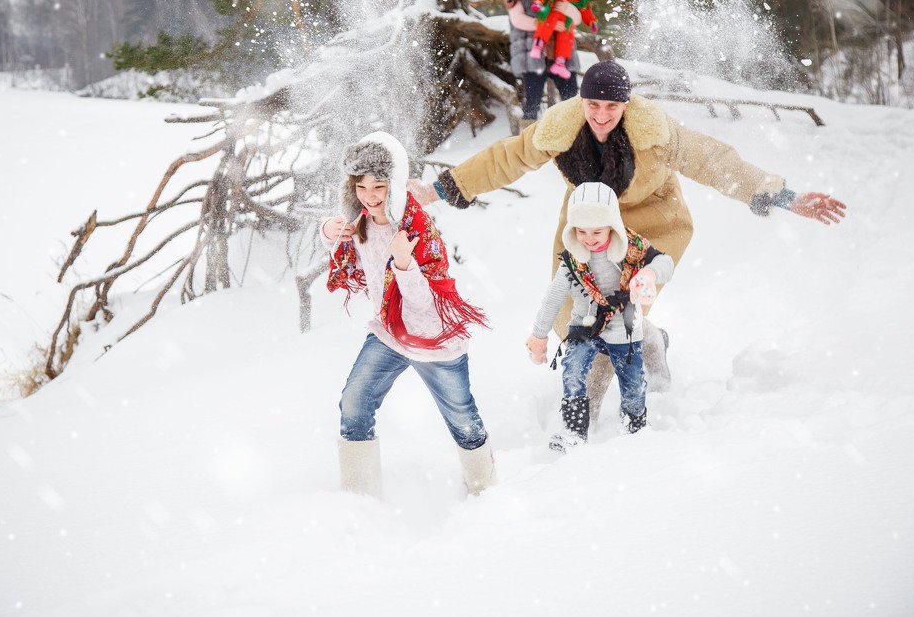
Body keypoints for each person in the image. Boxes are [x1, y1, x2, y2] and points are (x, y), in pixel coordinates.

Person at [409, 60, 846, 421]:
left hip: (651, 225)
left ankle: (584, 419)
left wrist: (782, 195)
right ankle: (650, 344)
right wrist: (442, 189)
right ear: (581, 101)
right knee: (571, 317)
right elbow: (506, 158)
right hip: (586, 228)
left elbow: (715, 161)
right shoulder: (560, 131)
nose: (601, 115)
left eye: (612, 106)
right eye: (593, 105)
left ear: (627, 104)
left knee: (616, 313)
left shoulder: (657, 135)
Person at [321, 131, 495, 498]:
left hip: (435, 340)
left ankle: (485, 492)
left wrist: (403, 263)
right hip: (390, 334)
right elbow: (353, 263)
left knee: (463, 420)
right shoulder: (361, 225)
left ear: (394, 185)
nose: (370, 197)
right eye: (361, 187)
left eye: (379, 186)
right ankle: (358, 498)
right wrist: (329, 231)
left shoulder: (417, 229)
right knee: (354, 401)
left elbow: (426, 305)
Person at [527, 182, 674, 449]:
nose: (589, 238)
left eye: (597, 230)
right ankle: (574, 432)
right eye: (581, 231)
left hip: (624, 327)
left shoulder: (631, 248)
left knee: (631, 380)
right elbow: (553, 298)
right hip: (585, 329)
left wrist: (649, 274)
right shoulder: (572, 260)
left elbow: (666, 263)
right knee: (573, 372)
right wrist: (538, 335)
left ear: (613, 226)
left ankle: (634, 426)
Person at [505, 0, 582, 128]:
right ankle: (528, 145)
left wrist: (568, 8)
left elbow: (577, 19)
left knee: (573, 100)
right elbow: (518, 20)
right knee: (532, 103)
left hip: (560, 55)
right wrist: (549, 24)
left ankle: (575, 139)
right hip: (532, 55)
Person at [526, 0, 598, 81]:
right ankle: (538, 44)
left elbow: (585, 8)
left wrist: (591, 20)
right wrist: (539, 1)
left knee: (568, 36)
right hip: (553, 13)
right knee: (547, 23)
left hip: (567, 19)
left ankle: (560, 62)